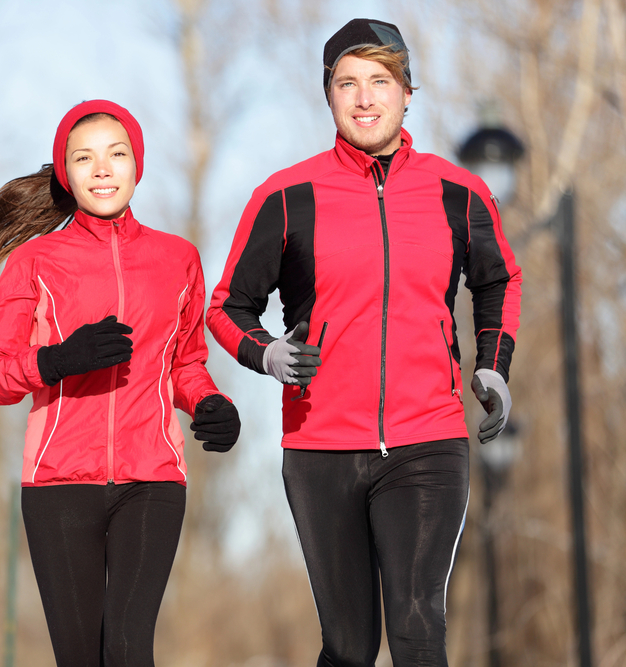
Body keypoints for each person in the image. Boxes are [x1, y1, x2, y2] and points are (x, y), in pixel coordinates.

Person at [206, 19, 521, 666]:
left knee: (416, 624)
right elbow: (227, 306)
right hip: (320, 444)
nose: (365, 97)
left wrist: (492, 367)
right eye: (347, 83)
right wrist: (265, 352)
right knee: (350, 646)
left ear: (408, 93)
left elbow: (499, 279)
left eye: (381, 81)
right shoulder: (286, 196)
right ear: (329, 96)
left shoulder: (457, 192)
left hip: (427, 440)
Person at [0, 99, 240, 667]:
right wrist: (57, 360)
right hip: (59, 485)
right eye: (84, 157)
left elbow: (186, 363)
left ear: (136, 165)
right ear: (66, 174)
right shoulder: (35, 262)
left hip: (153, 480)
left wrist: (212, 403)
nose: (102, 169)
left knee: (127, 645)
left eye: (116, 154)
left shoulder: (178, 258)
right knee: (80, 657)